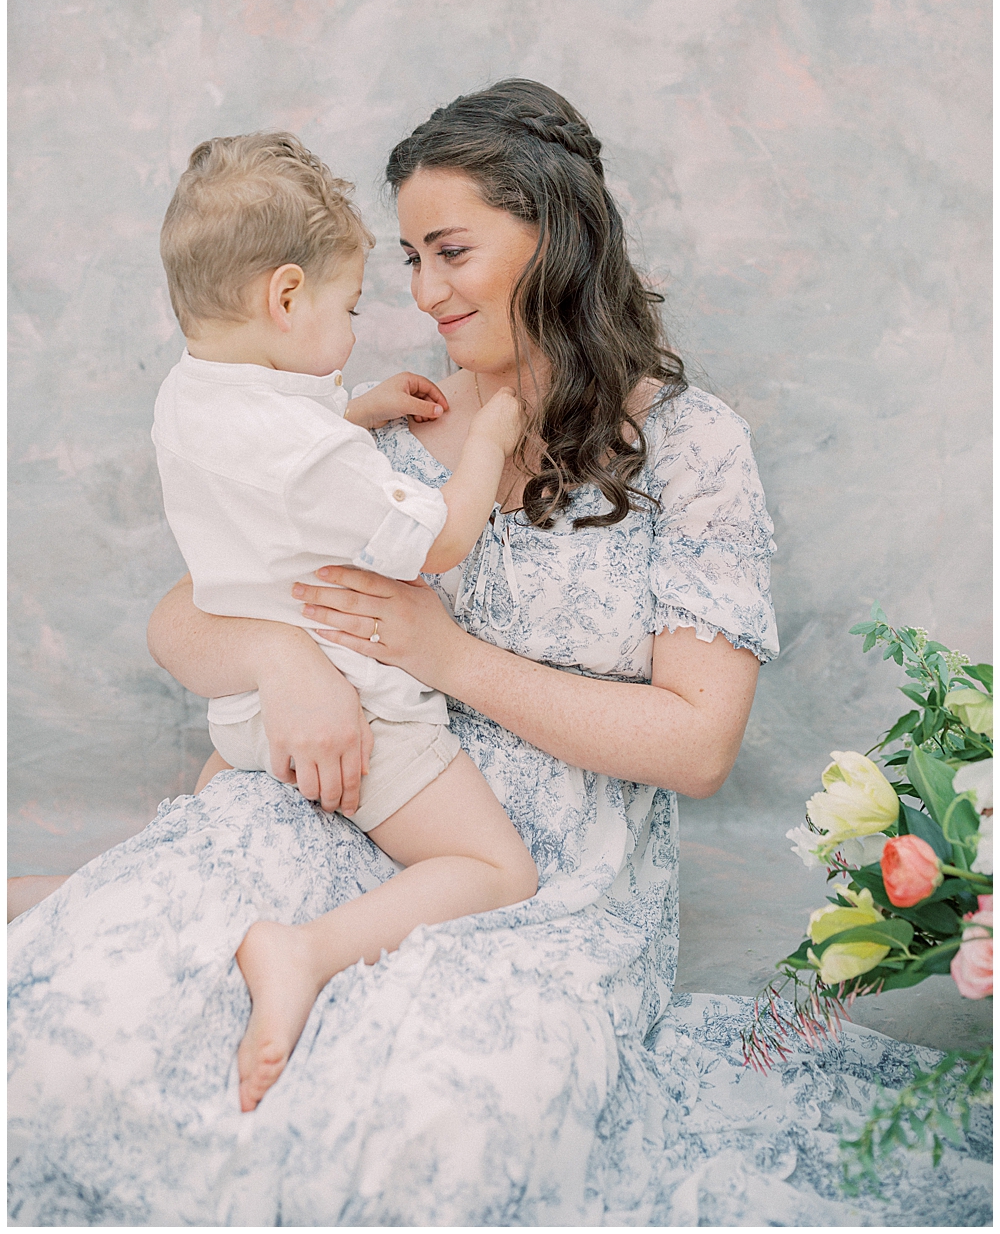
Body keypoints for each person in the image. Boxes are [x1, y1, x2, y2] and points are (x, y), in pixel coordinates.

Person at [7, 82, 989, 1226]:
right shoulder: (381, 425)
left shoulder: (688, 444)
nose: (422, 294)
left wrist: (448, 652)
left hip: (547, 884)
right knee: (85, 1033)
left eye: (450, 250)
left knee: (445, 1134)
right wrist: (286, 660)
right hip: (334, 806)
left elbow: (699, 740)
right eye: (411, 256)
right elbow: (181, 617)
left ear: (554, 234)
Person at [152, 131, 536, 1112]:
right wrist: (487, 439)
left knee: (201, 854)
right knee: (493, 866)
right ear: (285, 297)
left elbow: (268, 453)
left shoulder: (188, 394)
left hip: (245, 709)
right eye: (348, 304)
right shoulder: (317, 460)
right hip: (350, 709)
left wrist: (350, 413)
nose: (361, 324)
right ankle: (303, 950)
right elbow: (440, 540)